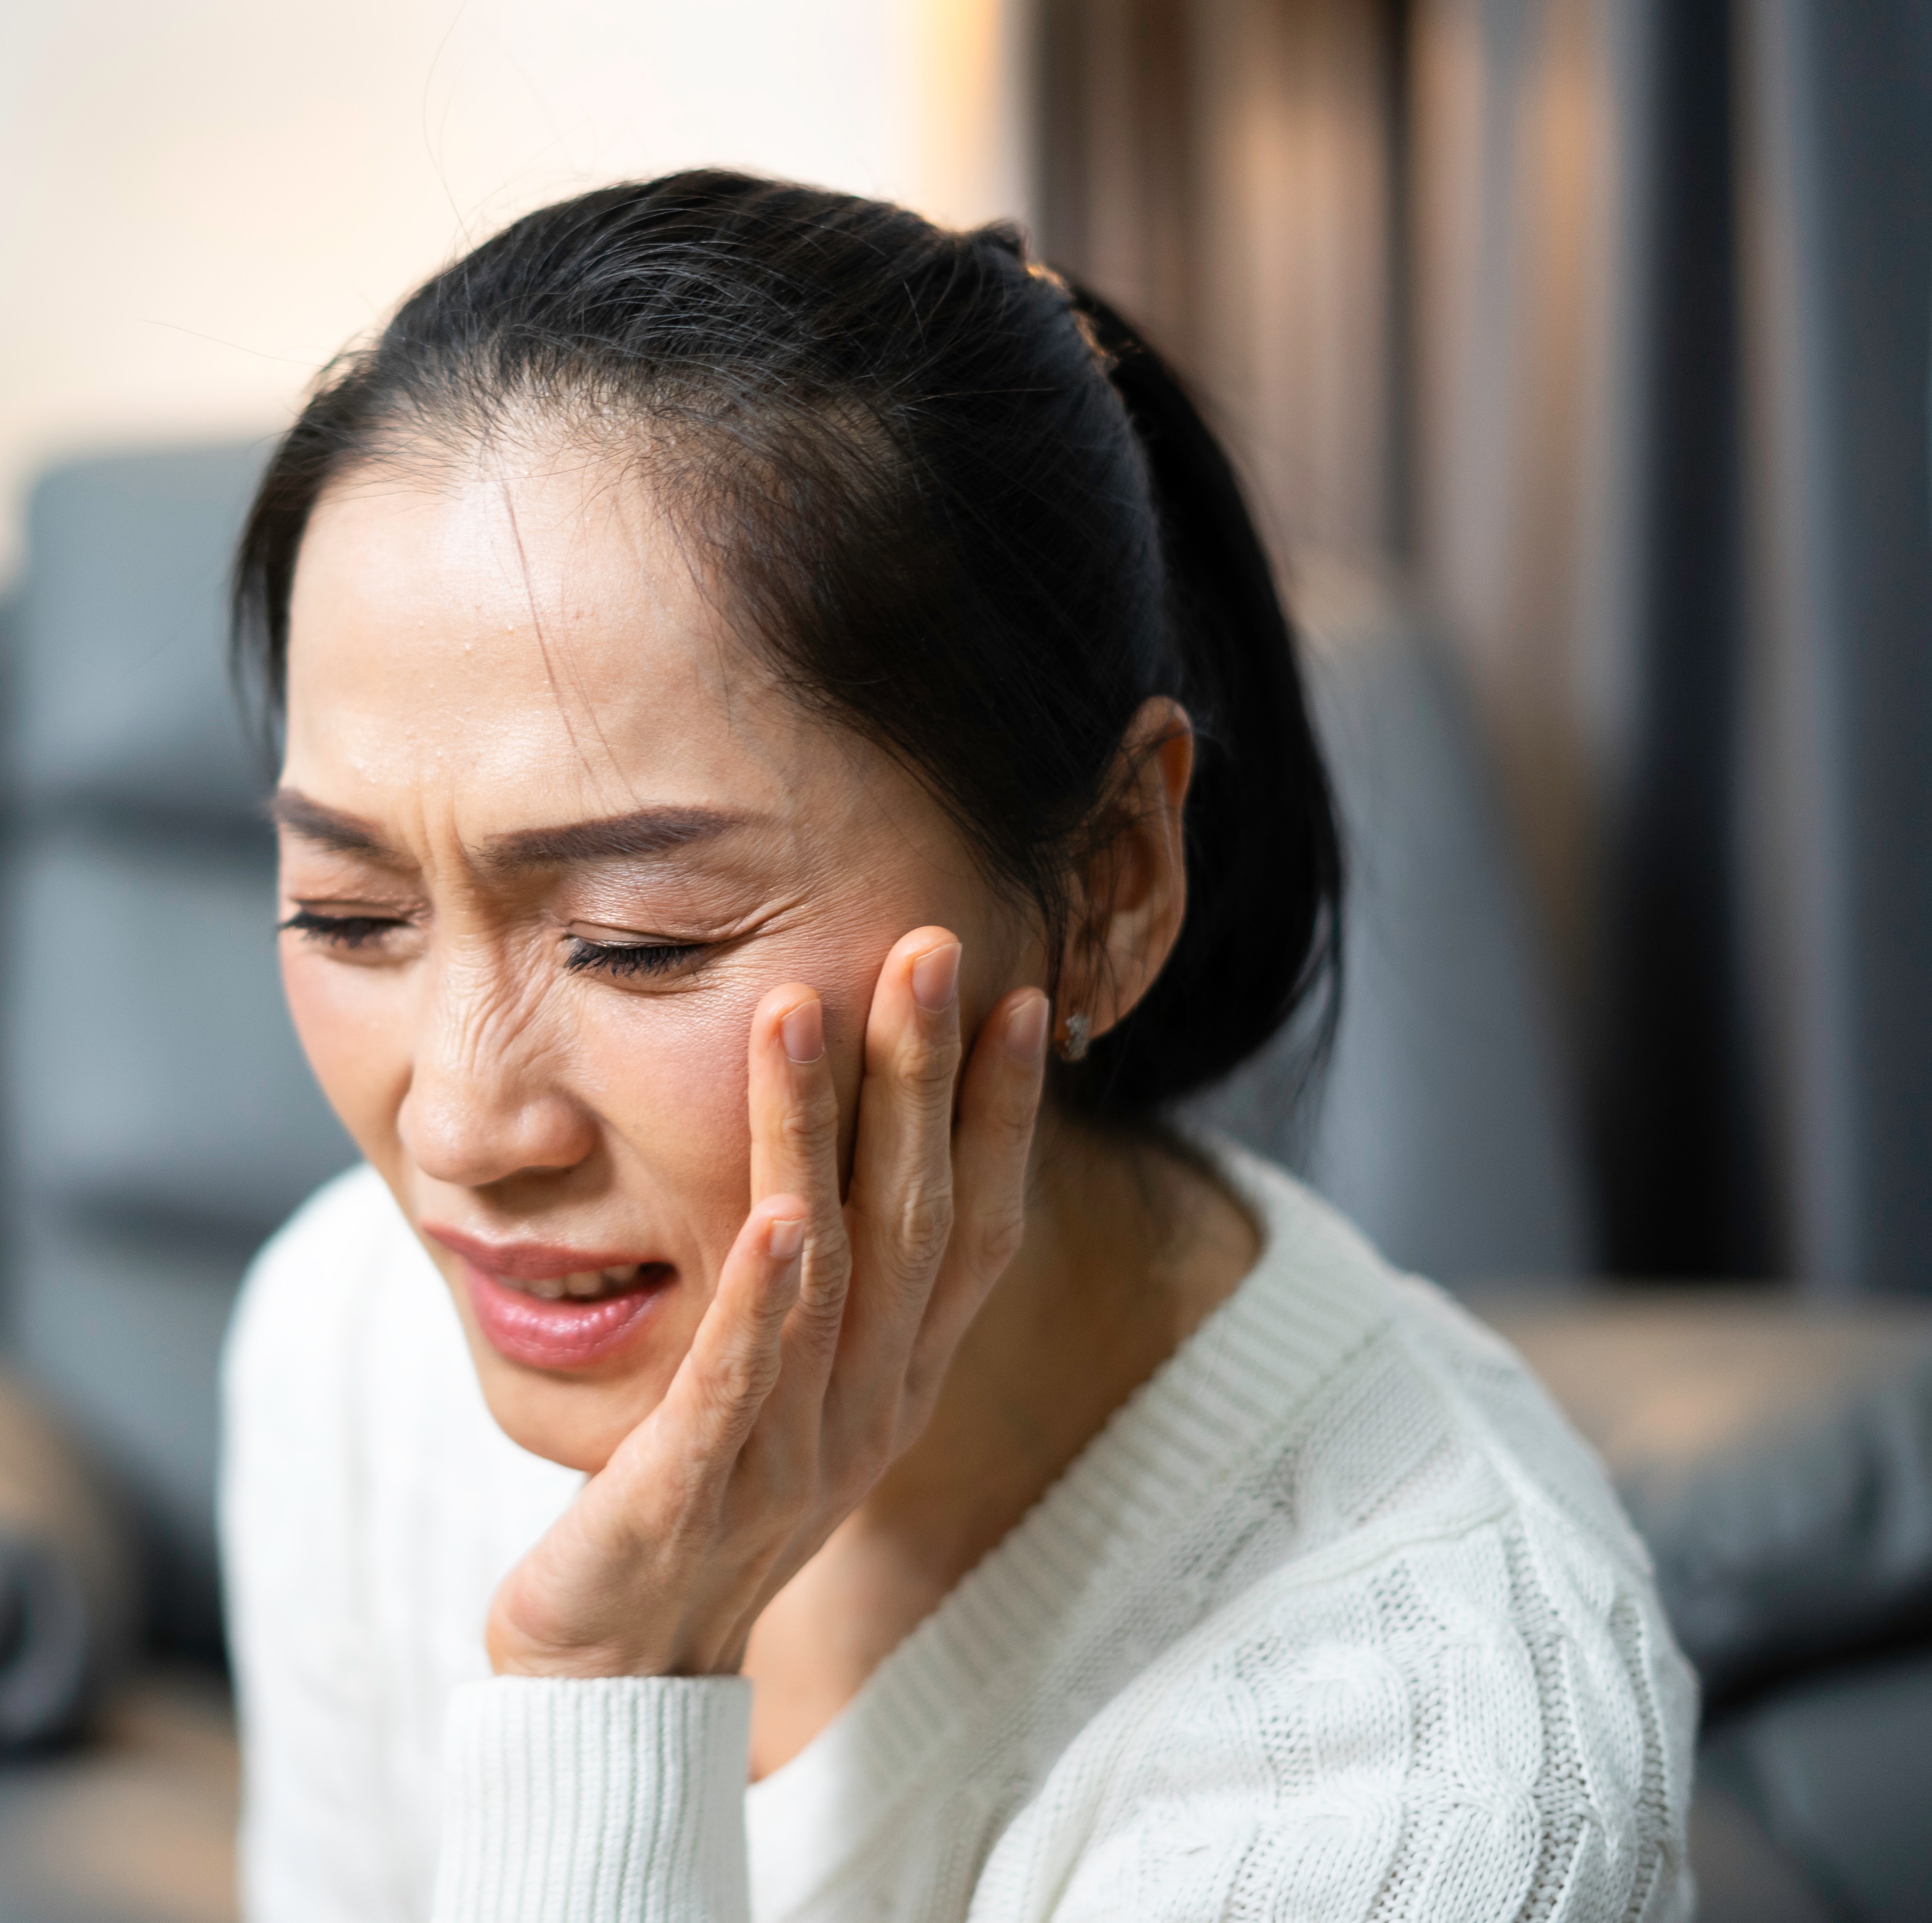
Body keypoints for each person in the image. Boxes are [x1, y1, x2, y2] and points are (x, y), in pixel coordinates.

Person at [218, 171, 1690, 1923]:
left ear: (1112, 886)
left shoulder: (1432, 1768)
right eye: (352, 913)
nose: (462, 1125)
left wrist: (619, 1683)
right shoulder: (353, 1332)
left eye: (640, 940)